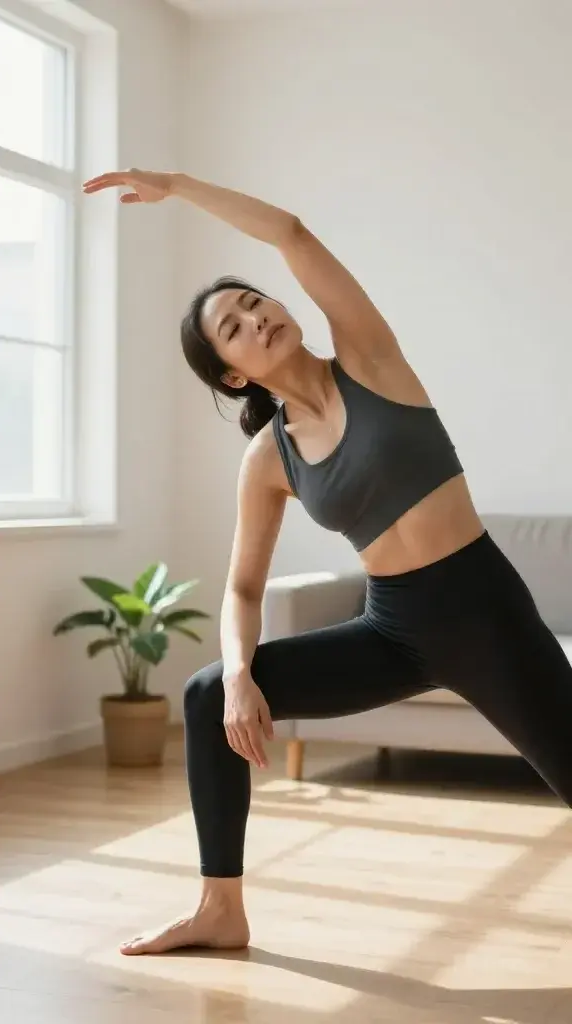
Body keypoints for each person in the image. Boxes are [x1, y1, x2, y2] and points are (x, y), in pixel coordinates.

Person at [83, 168, 572, 956]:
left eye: (255, 303)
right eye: (234, 327)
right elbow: (243, 588)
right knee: (206, 695)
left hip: (484, 609)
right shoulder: (267, 457)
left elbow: (291, 232)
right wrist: (239, 675)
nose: (256, 318)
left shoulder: (368, 358)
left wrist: (174, 185)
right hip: (394, 630)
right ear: (233, 373)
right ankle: (219, 908)